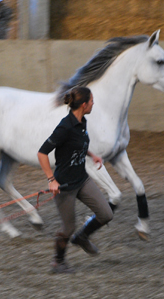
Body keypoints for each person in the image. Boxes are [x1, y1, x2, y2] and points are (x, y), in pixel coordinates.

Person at [37, 87, 113, 274]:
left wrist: (92, 154)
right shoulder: (65, 127)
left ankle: (82, 237)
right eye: (92, 101)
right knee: (68, 227)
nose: (94, 103)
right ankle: (58, 262)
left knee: (106, 214)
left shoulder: (82, 121)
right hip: (64, 187)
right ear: (84, 104)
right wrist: (51, 180)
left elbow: (77, 144)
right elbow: (42, 153)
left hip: (82, 180)